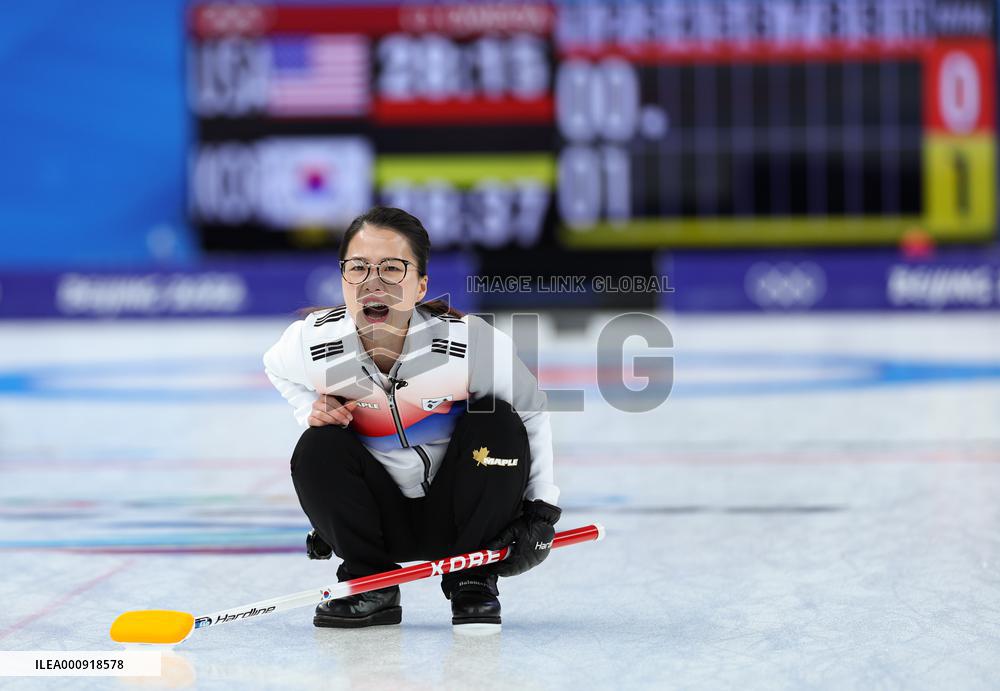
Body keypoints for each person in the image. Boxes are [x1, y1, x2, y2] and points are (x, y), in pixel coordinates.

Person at [263, 206, 561, 633]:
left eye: (392, 268)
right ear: (342, 276)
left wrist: (541, 511)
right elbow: (274, 367)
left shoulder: (470, 343)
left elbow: (531, 412)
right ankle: (371, 583)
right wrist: (310, 407)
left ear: (420, 285)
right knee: (317, 446)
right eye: (359, 268)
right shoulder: (312, 344)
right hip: (378, 522)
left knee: (498, 422)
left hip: (464, 521)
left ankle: (472, 580)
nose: (373, 282)